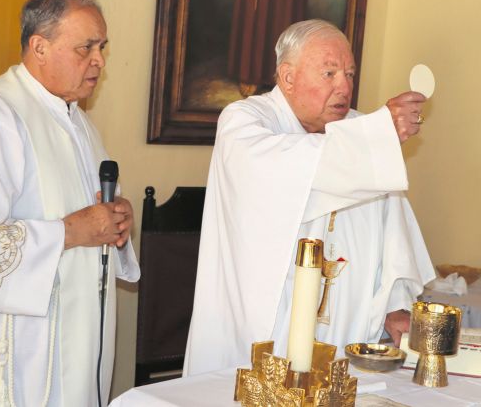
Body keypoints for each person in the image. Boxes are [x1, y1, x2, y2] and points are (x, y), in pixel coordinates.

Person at [184, 19, 436, 376]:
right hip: (262, 342)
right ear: (287, 77)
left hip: (346, 345)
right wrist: (374, 137)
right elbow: (288, 170)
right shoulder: (243, 121)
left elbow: (392, 235)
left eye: (349, 74)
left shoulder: (360, 133)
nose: (344, 86)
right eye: (329, 73)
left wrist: (396, 305)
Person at [0, 0, 140, 406]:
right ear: (39, 46)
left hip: (77, 334)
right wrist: (69, 232)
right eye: (86, 48)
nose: (99, 61)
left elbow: (87, 218)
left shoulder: (78, 123)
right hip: (9, 341)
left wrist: (114, 223)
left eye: (102, 48)